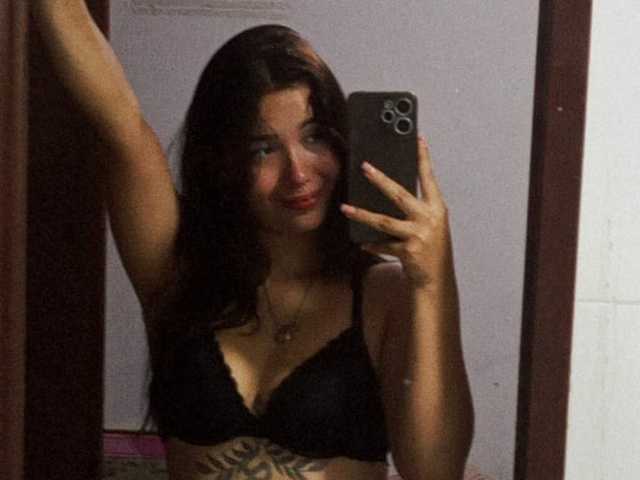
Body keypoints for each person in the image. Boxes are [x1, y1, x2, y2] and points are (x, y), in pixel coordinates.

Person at [32, 2, 474, 479]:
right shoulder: (180, 266)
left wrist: (434, 278)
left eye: (314, 137)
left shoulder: (387, 295)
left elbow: (435, 470)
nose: (298, 172)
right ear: (223, 161)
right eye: (263, 149)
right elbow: (119, 124)